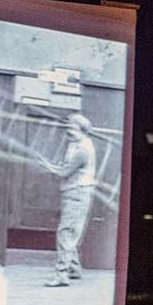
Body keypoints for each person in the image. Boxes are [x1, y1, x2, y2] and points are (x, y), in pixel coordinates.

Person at [42, 112, 97, 287]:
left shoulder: (82, 149)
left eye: (72, 128)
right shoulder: (77, 143)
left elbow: (64, 173)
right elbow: (66, 168)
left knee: (66, 233)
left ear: (83, 130)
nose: (68, 131)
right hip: (74, 193)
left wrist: (47, 167)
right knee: (70, 231)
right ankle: (74, 269)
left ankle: (61, 275)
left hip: (76, 194)